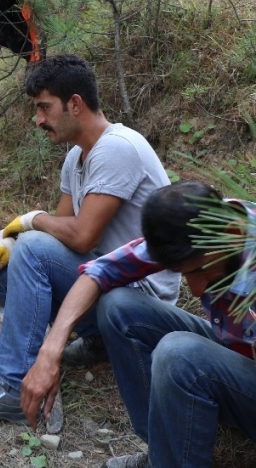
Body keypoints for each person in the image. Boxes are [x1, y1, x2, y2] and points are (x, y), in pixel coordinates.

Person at [0, 54, 180, 423]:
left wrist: (30, 220)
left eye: (44, 108)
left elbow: (81, 236)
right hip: (103, 283)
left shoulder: (118, 147)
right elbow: (64, 227)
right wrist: (12, 243)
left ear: (75, 103)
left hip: (141, 301)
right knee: (9, 270)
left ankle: (12, 388)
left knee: (33, 249)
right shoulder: (77, 157)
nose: (38, 120)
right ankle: (98, 343)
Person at [20, 181, 256, 468]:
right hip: (236, 349)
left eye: (199, 271)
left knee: (180, 354)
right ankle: (162, 451)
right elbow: (100, 272)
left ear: (231, 234)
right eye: (183, 274)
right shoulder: (204, 226)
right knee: (119, 307)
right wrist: (50, 351)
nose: (195, 290)